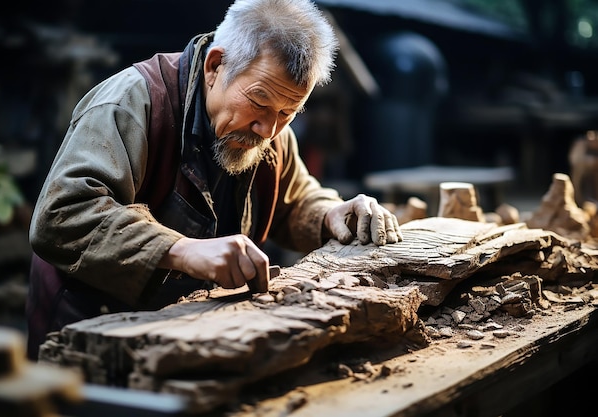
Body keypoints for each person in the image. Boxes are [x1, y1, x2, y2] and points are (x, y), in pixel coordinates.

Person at [25, 0, 403, 360]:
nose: (269, 128)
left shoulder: (269, 126)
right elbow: (62, 216)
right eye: (258, 102)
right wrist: (183, 250)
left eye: (289, 112)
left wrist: (331, 214)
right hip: (92, 342)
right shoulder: (131, 104)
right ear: (215, 65)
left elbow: (293, 199)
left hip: (194, 339)